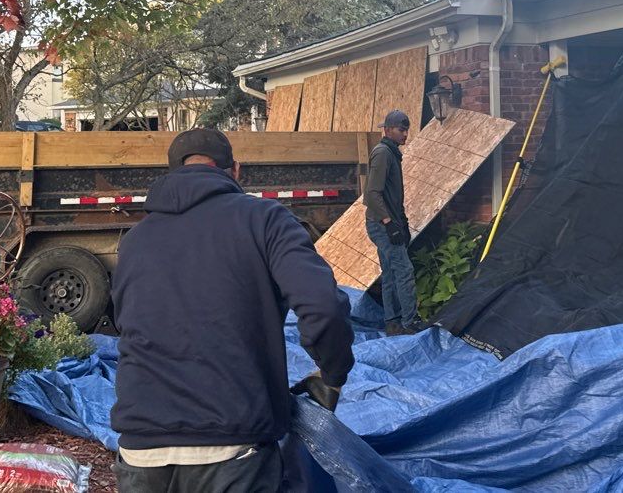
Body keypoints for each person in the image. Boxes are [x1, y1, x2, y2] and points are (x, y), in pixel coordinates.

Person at [110, 128, 355, 493]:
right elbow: (322, 305)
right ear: (235, 170)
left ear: (172, 172)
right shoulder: (265, 219)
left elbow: (124, 323)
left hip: (139, 450)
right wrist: (332, 374)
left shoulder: (133, 241)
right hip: (233, 447)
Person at [365, 110, 424, 336]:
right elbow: (372, 193)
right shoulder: (383, 153)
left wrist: (403, 223)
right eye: (401, 130)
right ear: (387, 130)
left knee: (390, 272)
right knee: (405, 271)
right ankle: (410, 323)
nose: (405, 134)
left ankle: (393, 323)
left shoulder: (392, 152)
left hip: (388, 222)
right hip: (381, 224)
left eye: (407, 130)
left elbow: (392, 195)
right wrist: (389, 224)